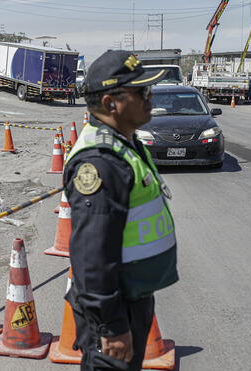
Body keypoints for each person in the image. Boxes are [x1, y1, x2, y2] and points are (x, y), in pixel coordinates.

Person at [64, 50, 178, 371]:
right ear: (110, 103)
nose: (149, 97)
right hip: (114, 308)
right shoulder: (100, 163)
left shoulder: (125, 144)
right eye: (141, 92)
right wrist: (112, 326)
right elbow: (92, 256)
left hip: (131, 297)